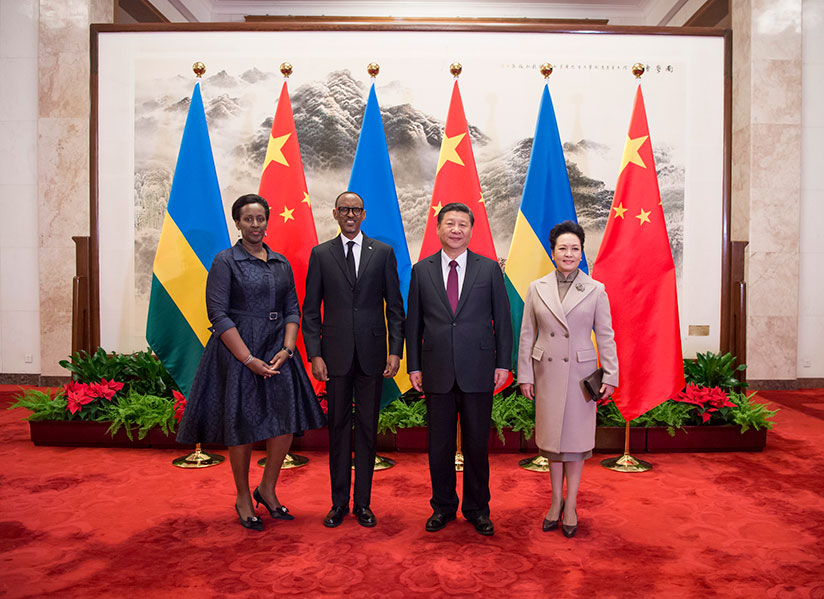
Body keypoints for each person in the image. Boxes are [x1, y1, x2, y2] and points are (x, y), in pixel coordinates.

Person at [177, 194, 326, 531]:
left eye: (261, 219)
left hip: (277, 349)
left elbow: (292, 308)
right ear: (238, 223)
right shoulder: (225, 261)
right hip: (237, 353)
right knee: (240, 424)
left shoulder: (281, 262)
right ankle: (243, 496)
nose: (256, 225)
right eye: (249, 219)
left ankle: (267, 489)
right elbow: (218, 314)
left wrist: (288, 350)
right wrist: (247, 358)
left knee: (285, 421)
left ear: (267, 221)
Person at [406, 202, 512, 537]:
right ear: (438, 229)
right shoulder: (421, 271)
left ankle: (478, 509)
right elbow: (413, 324)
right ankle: (443, 507)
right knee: (438, 445)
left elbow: (503, 321)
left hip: (479, 369)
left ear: (471, 229)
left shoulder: (489, 269)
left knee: (477, 445)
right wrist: (414, 366)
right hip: (436, 370)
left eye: (462, 224)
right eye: (449, 223)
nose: (456, 229)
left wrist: (503, 363)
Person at [302, 191, 405, 528]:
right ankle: (338, 504)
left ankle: (363, 503)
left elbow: (395, 307)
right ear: (335, 214)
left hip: (374, 356)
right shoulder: (321, 254)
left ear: (364, 214)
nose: (350, 214)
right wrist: (315, 354)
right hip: (334, 359)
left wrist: (394, 350)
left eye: (355, 210)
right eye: (344, 209)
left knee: (366, 430)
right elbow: (310, 312)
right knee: (338, 430)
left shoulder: (383, 253)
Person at [517, 220, 618, 538]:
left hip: (580, 377)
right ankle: (555, 501)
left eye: (575, 248)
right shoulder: (537, 288)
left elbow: (606, 335)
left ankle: (572, 503)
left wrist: (611, 375)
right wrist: (525, 375)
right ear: (553, 252)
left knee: (574, 444)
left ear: (581, 252)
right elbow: (527, 335)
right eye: (563, 248)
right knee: (552, 444)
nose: (569, 253)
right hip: (546, 374)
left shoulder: (595, 289)